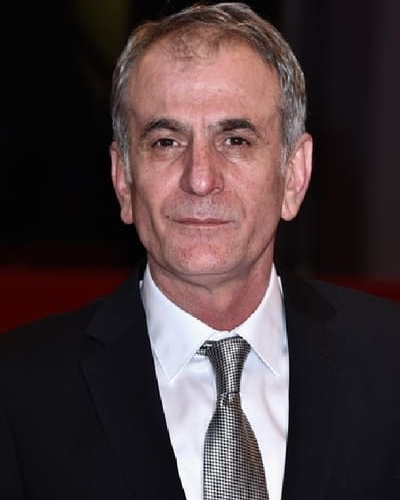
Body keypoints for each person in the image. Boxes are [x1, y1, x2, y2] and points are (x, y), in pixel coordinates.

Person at [1, 3, 400, 500]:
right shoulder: (18, 392)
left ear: (294, 176)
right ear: (123, 180)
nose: (201, 178)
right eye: (166, 142)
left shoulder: (390, 363)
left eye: (235, 140)